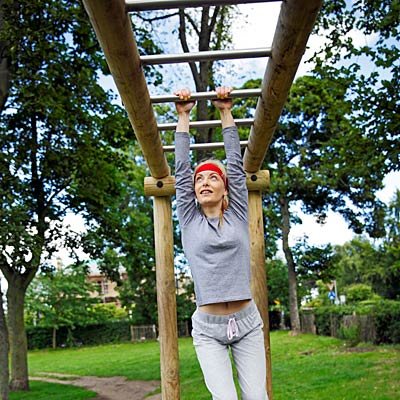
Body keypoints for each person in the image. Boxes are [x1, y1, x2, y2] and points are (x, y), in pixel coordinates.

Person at [174, 86, 268, 400]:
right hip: (208, 328)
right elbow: (181, 170)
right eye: (200, 179)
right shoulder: (188, 218)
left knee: (257, 397)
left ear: (225, 189)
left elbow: (235, 166)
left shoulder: (239, 214)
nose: (204, 182)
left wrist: (225, 111)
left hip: (247, 322)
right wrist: (183, 117)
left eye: (213, 177)